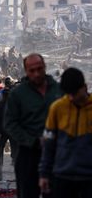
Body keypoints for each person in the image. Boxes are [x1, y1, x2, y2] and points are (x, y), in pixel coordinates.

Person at [4, 53, 61, 198]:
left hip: (56, 153)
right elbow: (10, 123)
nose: (36, 73)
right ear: (26, 71)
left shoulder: (58, 90)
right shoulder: (18, 94)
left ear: (45, 67)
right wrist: (33, 141)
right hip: (28, 153)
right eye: (32, 70)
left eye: (39, 69)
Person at [39, 68, 92, 198]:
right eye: (69, 94)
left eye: (75, 93)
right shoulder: (57, 108)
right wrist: (44, 174)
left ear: (84, 87)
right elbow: (48, 144)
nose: (72, 98)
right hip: (62, 176)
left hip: (89, 178)